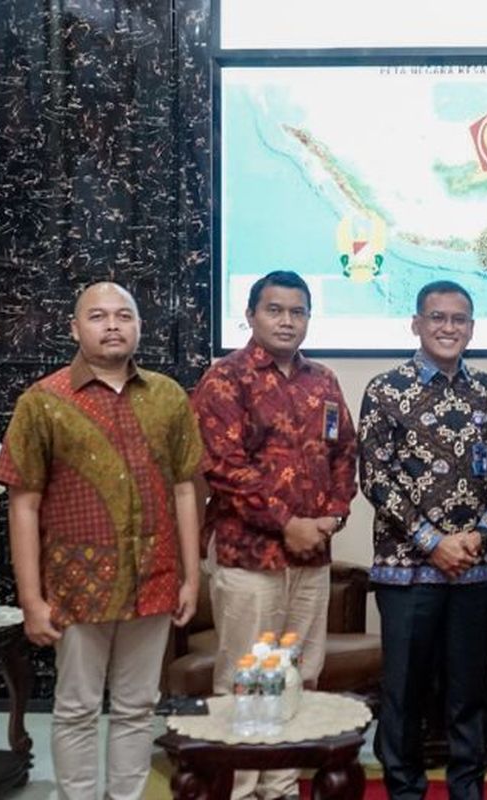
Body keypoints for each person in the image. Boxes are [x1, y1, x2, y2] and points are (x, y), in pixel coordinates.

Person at [0, 282, 204, 800]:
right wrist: (31, 599)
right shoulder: (43, 401)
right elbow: (23, 504)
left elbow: (185, 490)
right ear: (74, 328)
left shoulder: (168, 396)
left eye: (124, 315)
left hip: (153, 582)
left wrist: (191, 576)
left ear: (139, 327)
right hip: (75, 588)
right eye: (98, 316)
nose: (112, 325)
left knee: (137, 707)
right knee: (77, 708)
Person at [192, 269, 357, 800]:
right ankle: (239, 790)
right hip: (249, 558)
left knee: (300, 675)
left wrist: (330, 519)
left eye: (298, 311)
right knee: (244, 680)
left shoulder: (323, 381)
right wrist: (288, 523)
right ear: (251, 315)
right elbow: (224, 468)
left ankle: (283, 787)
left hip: (312, 558)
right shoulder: (225, 379)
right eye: (275, 310)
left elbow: (344, 456)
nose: (287, 321)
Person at [358, 280, 487, 800]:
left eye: (459, 320)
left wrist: (481, 534)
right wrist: (433, 541)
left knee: (467, 691)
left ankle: (466, 790)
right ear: (416, 323)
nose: (448, 328)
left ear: (471, 329)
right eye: (437, 318)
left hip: (473, 570)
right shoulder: (385, 390)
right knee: (404, 692)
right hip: (406, 571)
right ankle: (404, 790)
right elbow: (376, 478)